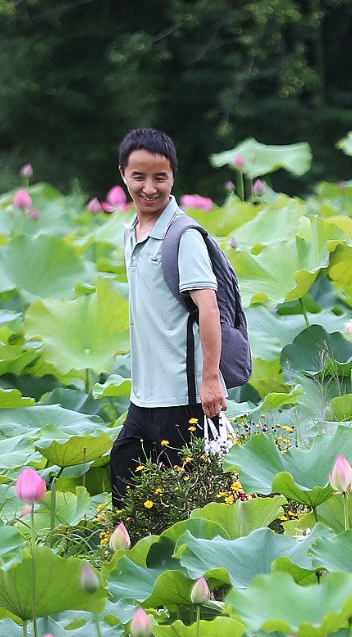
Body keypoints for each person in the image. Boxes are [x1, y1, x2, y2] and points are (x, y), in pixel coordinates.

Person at [110, 128, 227, 509]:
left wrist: (210, 380)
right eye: (139, 176)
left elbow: (208, 307)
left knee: (189, 504)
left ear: (173, 176)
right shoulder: (131, 232)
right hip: (144, 394)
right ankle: (132, 563)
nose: (149, 188)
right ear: (124, 174)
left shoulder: (183, 236)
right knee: (125, 478)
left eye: (159, 177)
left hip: (184, 395)